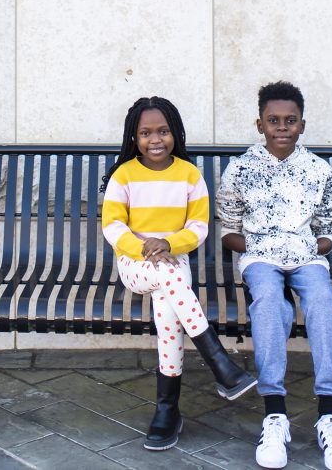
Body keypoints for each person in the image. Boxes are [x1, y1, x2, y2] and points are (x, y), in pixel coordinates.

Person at [101, 96, 256, 451]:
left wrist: (168, 244)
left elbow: (199, 228)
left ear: (175, 133)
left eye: (163, 131)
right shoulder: (123, 176)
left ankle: (167, 410)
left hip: (173, 259)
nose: (155, 139)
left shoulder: (189, 175)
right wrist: (144, 247)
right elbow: (112, 227)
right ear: (134, 138)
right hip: (134, 262)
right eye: (145, 133)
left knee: (169, 310)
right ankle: (219, 362)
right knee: (170, 282)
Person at [216, 81, 332, 470]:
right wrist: (262, 249)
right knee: (268, 305)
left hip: (306, 258)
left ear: (302, 125)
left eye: (290, 120)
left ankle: (330, 413)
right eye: (273, 120)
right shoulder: (241, 169)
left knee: (325, 303)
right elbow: (228, 229)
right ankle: (274, 413)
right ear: (259, 125)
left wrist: (317, 247)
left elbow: (328, 223)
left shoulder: (317, 171)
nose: (282, 127)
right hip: (260, 258)